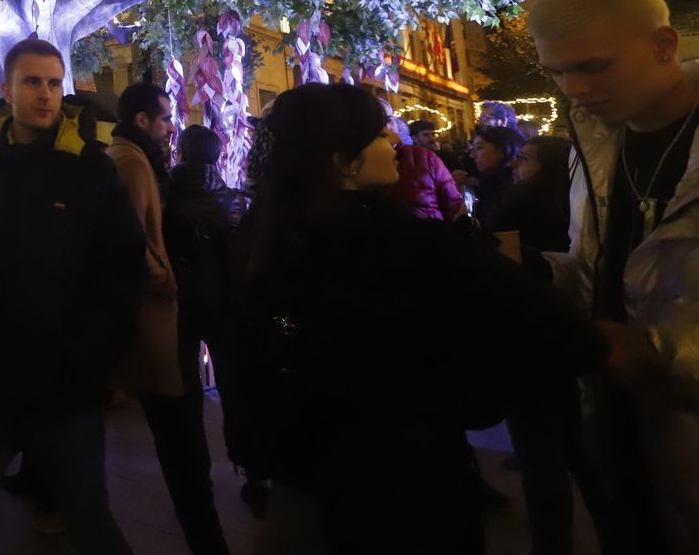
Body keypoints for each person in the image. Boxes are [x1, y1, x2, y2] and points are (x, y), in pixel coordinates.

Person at [240, 83, 608, 555]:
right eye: (377, 135)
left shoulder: (267, 235)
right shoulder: (406, 242)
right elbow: (547, 321)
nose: (395, 142)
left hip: (307, 470)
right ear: (342, 159)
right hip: (408, 474)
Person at [0, 38, 146, 554]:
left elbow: (122, 271)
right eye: (32, 82)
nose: (46, 95)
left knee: (90, 518)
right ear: (6, 88)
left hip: (62, 386)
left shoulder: (91, 170)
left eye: (54, 83)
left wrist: (88, 356)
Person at [530, 0, 699, 551]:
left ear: (663, 46)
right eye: (556, 73)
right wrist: (532, 275)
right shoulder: (598, 145)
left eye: (593, 66)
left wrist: (663, 352)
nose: (573, 88)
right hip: (623, 438)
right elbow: (609, 269)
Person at [108, 85, 227, 553]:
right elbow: (134, 241)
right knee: (181, 440)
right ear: (142, 121)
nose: (170, 125)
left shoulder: (137, 159)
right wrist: (166, 281)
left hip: (161, 319)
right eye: (164, 118)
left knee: (182, 435)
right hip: (156, 317)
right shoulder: (133, 163)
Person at [496, 134, 623, 555]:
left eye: (526, 159)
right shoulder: (569, 201)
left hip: (530, 338)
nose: (518, 166)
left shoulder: (519, 204)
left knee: (541, 456)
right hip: (567, 335)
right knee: (577, 449)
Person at [167, 124, 261, 518]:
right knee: (236, 391)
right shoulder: (233, 200)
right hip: (225, 306)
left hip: (180, 307)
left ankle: (194, 474)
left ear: (183, 153)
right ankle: (254, 473)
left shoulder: (167, 197)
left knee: (185, 396)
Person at [386, 112, 465, 221]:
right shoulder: (415, 159)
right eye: (426, 135)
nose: (431, 138)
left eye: (433, 134)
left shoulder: (445, 157)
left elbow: (454, 204)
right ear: (413, 138)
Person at [458, 125, 525, 229]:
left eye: (479, 148)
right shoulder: (489, 183)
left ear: (502, 150)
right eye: (473, 148)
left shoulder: (514, 188)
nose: (472, 155)